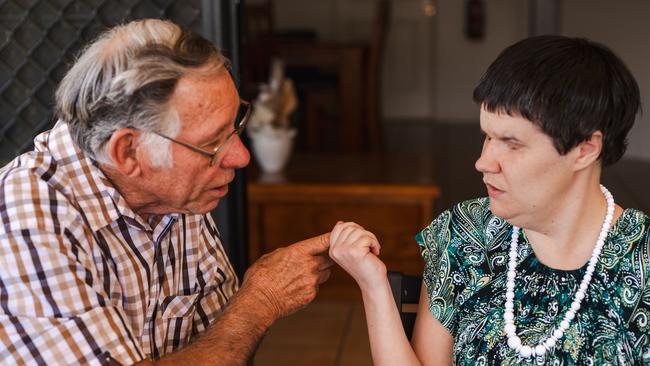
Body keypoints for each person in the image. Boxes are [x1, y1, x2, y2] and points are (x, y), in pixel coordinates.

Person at [0, 19, 333, 365]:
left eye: (234, 126)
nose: (240, 156)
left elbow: (219, 345)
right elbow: (234, 333)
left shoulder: (174, 195)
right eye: (212, 142)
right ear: (128, 153)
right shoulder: (27, 219)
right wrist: (261, 301)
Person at [329, 35, 650, 365]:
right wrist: (374, 287)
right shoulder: (466, 234)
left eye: (511, 143)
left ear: (585, 149)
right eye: (487, 135)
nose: (483, 161)